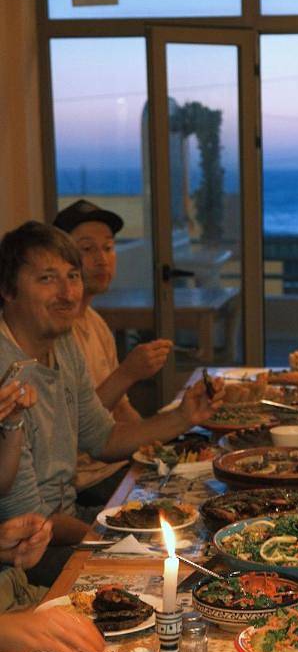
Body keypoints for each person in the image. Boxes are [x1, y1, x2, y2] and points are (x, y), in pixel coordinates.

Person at [0, 221, 222, 547]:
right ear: (7, 289)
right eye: (47, 278)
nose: (67, 292)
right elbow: (28, 517)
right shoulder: (8, 372)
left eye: (72, 277)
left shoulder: (63, 345)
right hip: (30, 547)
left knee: (205, 523)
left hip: (68, 516)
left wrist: (183, 417)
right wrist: (115, 541)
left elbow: (102, 439)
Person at [53, 199, 173, 506]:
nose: (102, 260)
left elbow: (122, 410)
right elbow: (77, 427)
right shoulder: (54, 335)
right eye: (87, 249)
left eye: (108, 248)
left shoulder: (96, 323)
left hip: (119, 466)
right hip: (85, 482)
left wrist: (160, 445)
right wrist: (128, 373)